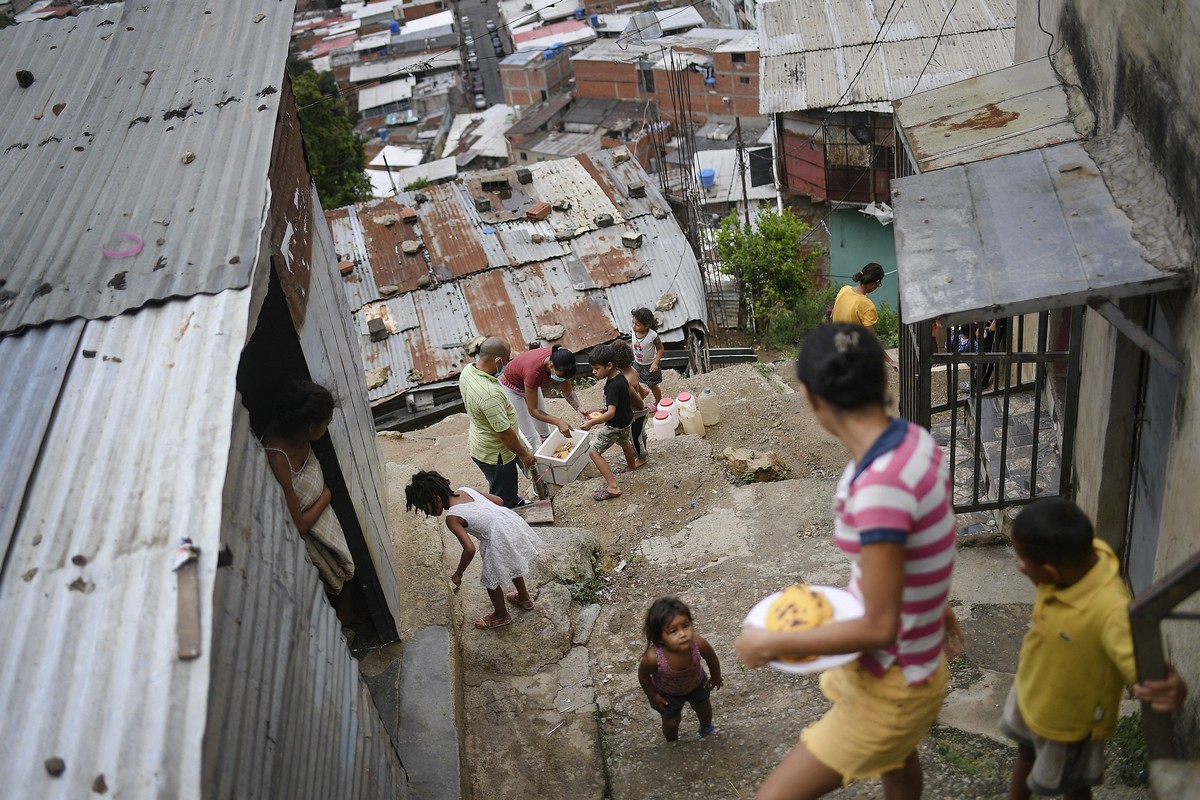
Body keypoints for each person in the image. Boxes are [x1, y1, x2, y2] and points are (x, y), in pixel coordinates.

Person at [735, 322, 963, 800]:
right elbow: (927, 541)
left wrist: (770, 643)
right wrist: (934, 605)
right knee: (898, 760)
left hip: (893, 685)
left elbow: (879, 628)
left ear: (810, 398)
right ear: (884, 379)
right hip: (915, 666)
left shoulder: (880, 486)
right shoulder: (915, 442)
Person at [1002, 498, 1188, 800]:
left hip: (1071, 722)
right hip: (1032, 690)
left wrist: (1171, 687)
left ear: (1050, 573)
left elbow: (1143, 664)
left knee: (1073, 786)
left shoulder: (1111, 611)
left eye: (1023, 561)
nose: (1020, 567)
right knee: (1026, 754)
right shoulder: (1084, 557)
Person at [405, 470, 541, 630]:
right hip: (510, 523)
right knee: (512, 564)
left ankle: (501, 615)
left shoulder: (452, 518)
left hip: (497, 536)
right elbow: (498, 500)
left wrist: (458, 573)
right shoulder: (465, 490)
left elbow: (469, 549)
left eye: (424, 507)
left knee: (491, 580)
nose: (427, 513)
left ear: (436, 498)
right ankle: (524, 598)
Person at [261, 379, 356, 596]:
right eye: (327, 423)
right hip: (312, 521)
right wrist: (327, 494)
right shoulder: (277, 459)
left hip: (320, 512)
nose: (329, 426)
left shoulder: (296, 430)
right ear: (311, 427)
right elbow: (300, 524)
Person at [459, 336, 537, 508]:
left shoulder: (468, 371)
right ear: (498, 360)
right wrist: (524, 455)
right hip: (497, 455)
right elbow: (504, 434)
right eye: (507, 360)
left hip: (480, 444)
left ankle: (512, 500)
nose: (508, 364)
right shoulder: (489, 394)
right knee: (502, 493)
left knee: (501, 485)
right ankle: (508, 511)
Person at [638, 597, 723, 741]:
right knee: (671, 722)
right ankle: (673, 742)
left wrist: (716, 677)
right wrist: (653, 696)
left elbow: (712, 658)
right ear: (659, 638)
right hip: (668, 693)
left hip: (697, 683)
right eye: (673, 631)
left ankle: (706, 728)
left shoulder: (698, 643)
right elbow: (644, 676)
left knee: (704, 708)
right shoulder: (654, 658)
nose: (683, 634)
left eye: (686, 626)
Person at [581, 344, 644, 501]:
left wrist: (592, 423)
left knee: (594, 452)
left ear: (609, 365)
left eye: (596, 369)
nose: (593, 372)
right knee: (624, 442)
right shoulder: (621, 376)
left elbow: (611, 413)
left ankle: (613, 486)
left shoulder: (612, 386)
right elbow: (629, 393)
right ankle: (631, 466)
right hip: (626, 420)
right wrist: (641, 405)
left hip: (615, 425)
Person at [498, 343, 585, 449]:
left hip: (530, 385)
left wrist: (579, 408)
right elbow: (533, 411)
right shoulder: (534, 373)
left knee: (544, 430)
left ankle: (548, 457)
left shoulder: (561, 360)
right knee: (529, 436)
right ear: (551, 366)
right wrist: (558, 422)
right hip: (511, 388)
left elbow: (568, 392)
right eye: (561, 376)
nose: (563, 379)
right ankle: (533, 463)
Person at [831, 263, 898, 370]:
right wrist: (891, 361)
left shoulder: (844, 290)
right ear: (877, 282)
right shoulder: (866, 305)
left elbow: (833, 315)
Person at [613, 340, 650, 463]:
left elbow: (637, 400)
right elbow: (637, 385)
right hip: (641, 413)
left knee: (634, 437)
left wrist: (641, 406)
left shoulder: (626, 380)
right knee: (641, 434)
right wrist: (642, 390)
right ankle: (643, 450)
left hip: (636, 413)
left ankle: (641, 457)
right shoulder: (633, 370)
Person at [631, 307, 665, 405]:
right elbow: (633, 343)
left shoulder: (652, 335)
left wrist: (655, 363)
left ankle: (658, 401)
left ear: (646, 325)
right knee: (634, 379)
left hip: (650, 365)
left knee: (652, 385)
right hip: (637, 363)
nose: (634, 326)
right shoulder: (633, 331)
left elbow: (661, 349)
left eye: (637, 324)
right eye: (633, 322)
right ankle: (642, 392)